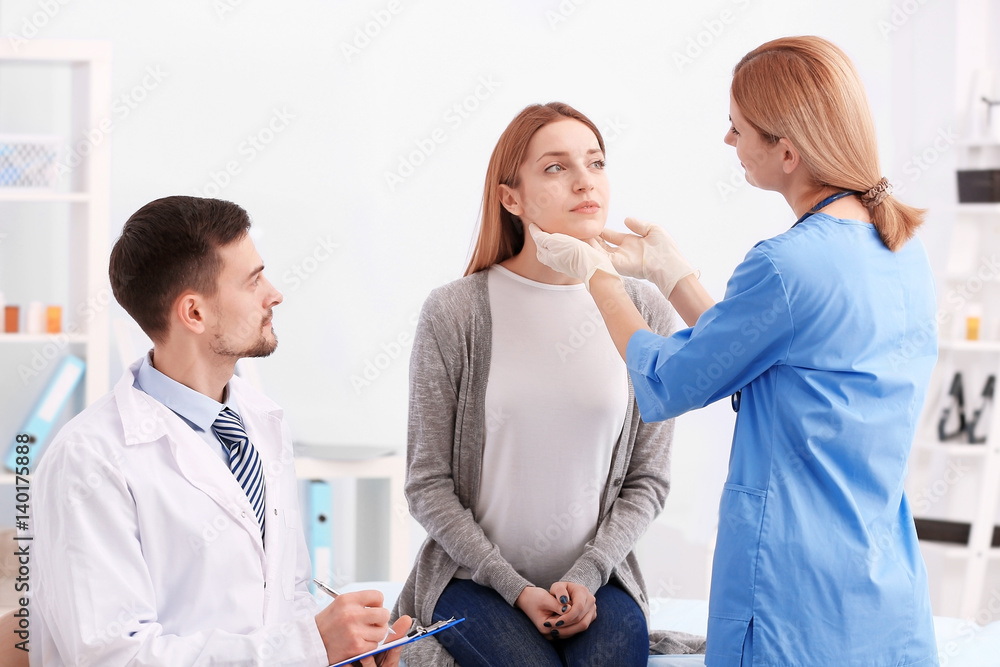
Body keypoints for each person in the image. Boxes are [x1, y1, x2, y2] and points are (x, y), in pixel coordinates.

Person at [530, 37, 940, 666]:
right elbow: (761, 360)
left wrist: (600, 277)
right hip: (880, 592)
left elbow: (669, 383)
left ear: (787, 151)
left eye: (737, 127)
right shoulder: (900, 252)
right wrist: (675, 276)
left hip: (791, 593)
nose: (729, 142)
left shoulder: (786, 263)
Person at [33, 196, 410, 666]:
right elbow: (113, 657)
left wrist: (339, 654)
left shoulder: (260, 421)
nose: (274, 294)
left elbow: (286, 595)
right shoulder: (90, 460)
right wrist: (308, 646)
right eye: (252, 281)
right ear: (194, 313)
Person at [393, 102, 704, 667]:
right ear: (511, 198)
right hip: (474, 580)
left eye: (596, 162)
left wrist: (587, 576)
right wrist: (514, 586)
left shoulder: (643, 310)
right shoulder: (455, 312)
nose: (585, 181)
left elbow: (647, 481)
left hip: (597, 582)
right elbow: (427, 485)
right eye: (556, 168)